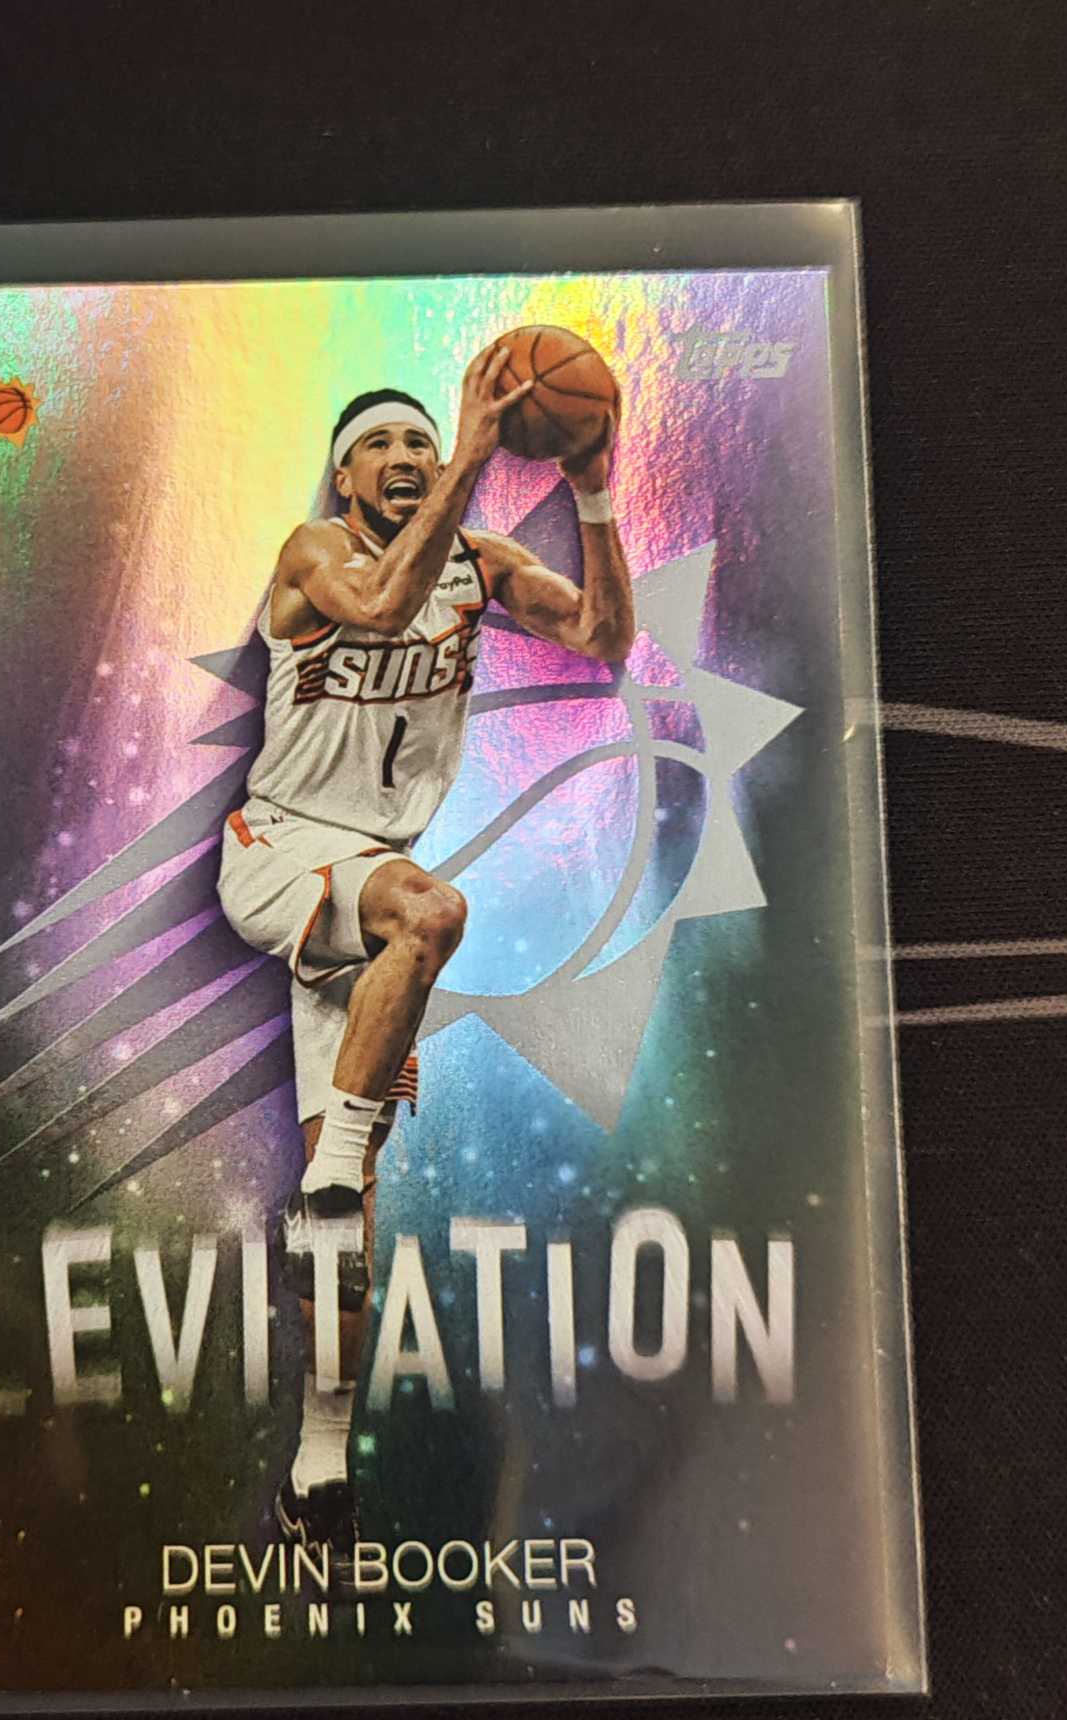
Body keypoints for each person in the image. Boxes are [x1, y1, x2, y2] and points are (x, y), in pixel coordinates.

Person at [216, 341, 636, 1559]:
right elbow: (382, 605)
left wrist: (593, 487)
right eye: (381, 445)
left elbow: (603, 634)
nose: (405, 456)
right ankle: (335, 1166)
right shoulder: (315, 553)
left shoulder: (480, 563)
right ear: (344, 477)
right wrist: (474, 444)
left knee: (345, 1232)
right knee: (435, 911)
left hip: (370, 894)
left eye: (420, 440)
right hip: (283, 848)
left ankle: (317, 1467)